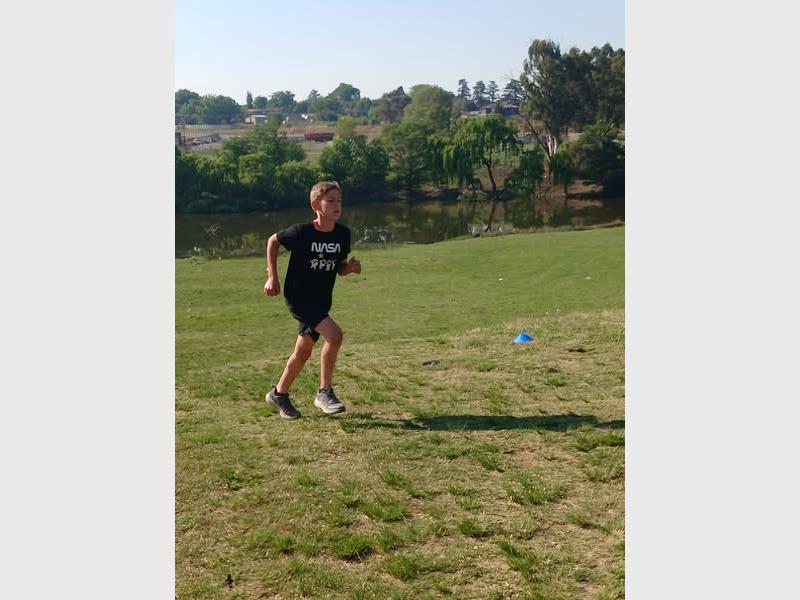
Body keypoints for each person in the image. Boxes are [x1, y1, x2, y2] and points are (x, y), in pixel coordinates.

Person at [263, 181, 362, 419]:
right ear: (316, 205)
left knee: (304, 350)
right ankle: (324, 393)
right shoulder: (302, 232)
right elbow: (272, 241)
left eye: (339, 201)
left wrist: (348, 268)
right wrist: (272, 277)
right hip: (299, 297)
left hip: (321, 300)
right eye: (331, 201)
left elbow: (337, 267)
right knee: (335, 335)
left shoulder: (342, 234)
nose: (337, 205)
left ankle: (279, 394)